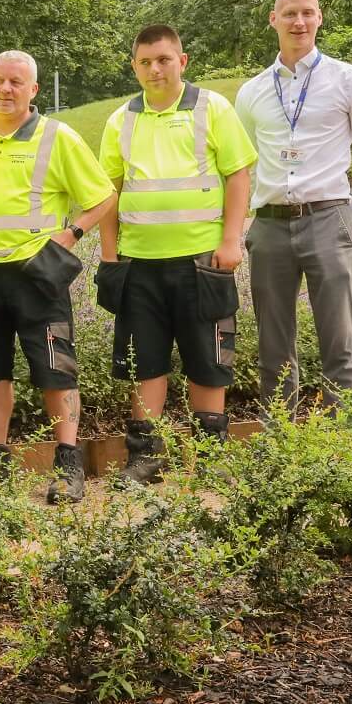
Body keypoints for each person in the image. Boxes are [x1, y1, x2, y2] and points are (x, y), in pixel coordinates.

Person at [97, 24, 257, 483]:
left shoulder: (212, 109)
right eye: (145, 62)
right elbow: (108, 191)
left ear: (182, 61)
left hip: (202, 262)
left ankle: (210, 458)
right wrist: (110, 256)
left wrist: (231, 241)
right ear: (134, 67)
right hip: (139, 264)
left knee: (209, 358)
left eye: (164, 59)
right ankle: (143, 457)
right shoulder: (120, 120)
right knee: (144, 360)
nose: (155, 69)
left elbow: (238, 176)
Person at [0, 51, 117, 502]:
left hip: (37, 272)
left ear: (34, 90)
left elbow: (104, 195)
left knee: (56, 368)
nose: (5, 90)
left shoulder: (57, 137)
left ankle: (69, 464)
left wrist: (72, 234)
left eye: (16, 82)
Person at [234, 0, 352, 408]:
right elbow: (238, 166)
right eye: (289, 13)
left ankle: (339, 446)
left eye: (307, 12)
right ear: (273, 20)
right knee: (273, 346)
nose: (298, 22)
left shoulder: (347, 79)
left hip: (328, 218)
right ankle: (279, 444)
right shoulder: (252, 92)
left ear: (319, 17)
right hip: (268, 226)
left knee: (339, 343)